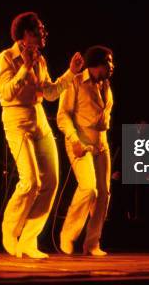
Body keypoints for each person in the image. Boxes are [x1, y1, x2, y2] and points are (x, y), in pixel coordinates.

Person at [0, 12, 83, 259]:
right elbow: (6, 94)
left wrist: (70, 73)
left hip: (39, 118)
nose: (44, 34)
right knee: (30, 181)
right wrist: (24, 67)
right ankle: (10, 233)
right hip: (16, 119)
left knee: (51, 181)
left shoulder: (41, 61)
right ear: (25, 34)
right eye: (39, 30)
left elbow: (51, 93)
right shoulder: (6, 58)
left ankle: (29, 240)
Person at [57, 45, 114, 257]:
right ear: (96, 64)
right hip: (79, 142)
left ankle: (92, 243)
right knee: (89, 188)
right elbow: (63, 115)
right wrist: (74, 140)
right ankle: (68, 235)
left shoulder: (106, 85)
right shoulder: (75, 82)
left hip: (101, 143)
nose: (111, 66)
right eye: (108, 62)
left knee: (103, 194)